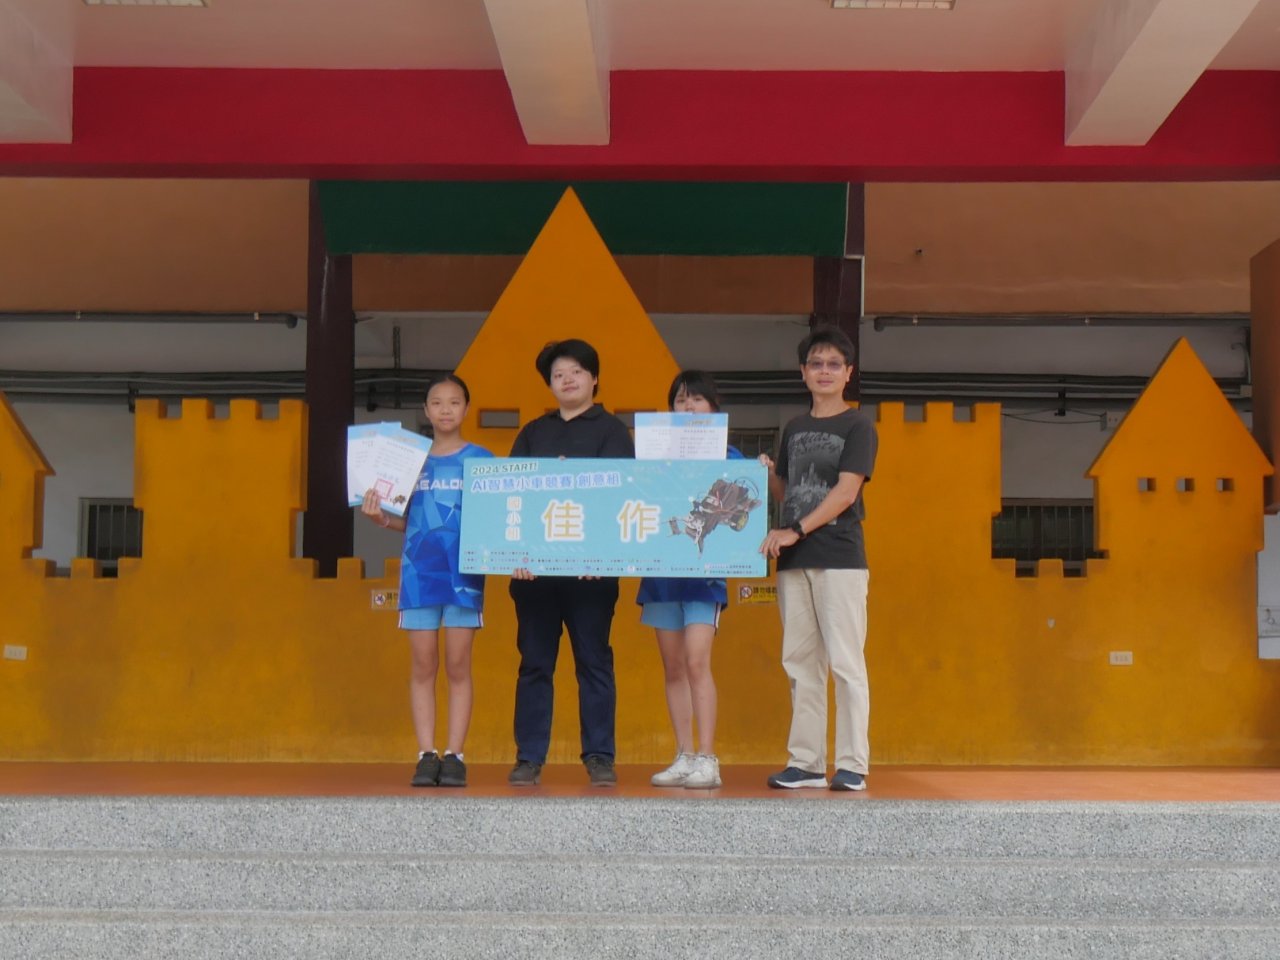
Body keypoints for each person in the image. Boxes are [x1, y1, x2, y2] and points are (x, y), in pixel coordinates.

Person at [507, 339, 635, 787]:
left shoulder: (612, 432)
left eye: (576, 371)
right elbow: (513, 496)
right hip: (535, 575)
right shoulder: (532, 433)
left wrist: (602, 553)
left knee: (594, 663)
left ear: (594, 378)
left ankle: (599, 756)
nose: (567, 380)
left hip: (591, 574)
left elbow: (619, 496)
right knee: (534, 665)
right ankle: (529, 757)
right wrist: (517, 554)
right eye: (558, 374)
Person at [759, 327, 878, 792]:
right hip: (794, 561)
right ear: (803, 372)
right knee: (800, 663)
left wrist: (796, 530)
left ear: (848, 373)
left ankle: (852, 764)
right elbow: (788, 495)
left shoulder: (858, 427)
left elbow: (846, 493)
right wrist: (767, 476)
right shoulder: (794, 428)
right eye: (816, 364)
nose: (824, 371)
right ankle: (806, 762)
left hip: (839, 557)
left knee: (846, 663)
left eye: (833, 364)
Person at [361, 374, 493, 788]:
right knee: (423, 663)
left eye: (454, 402)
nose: (445, 409)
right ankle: (425, 754)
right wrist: (380, 519)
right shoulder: (408, 460)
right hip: (419, 573)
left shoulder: (482, 460)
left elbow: (497, 519)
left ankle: (455, 754)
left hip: (463, 575)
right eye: (437, 402)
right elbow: (409, 520)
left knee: (457, 663)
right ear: (426, 410)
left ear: (466, 408)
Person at [638, 370, 743, 790]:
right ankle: (683, 756)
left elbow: (746, 501)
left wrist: (760, 469)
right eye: (680, 401)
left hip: (704, 575)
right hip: (661, 573)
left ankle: (707, 757)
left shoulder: (730, 457)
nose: (688, 407)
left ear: (713, 409)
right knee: (674, 666)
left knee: (698, 661)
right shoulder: (654, 456)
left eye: (697, 399)